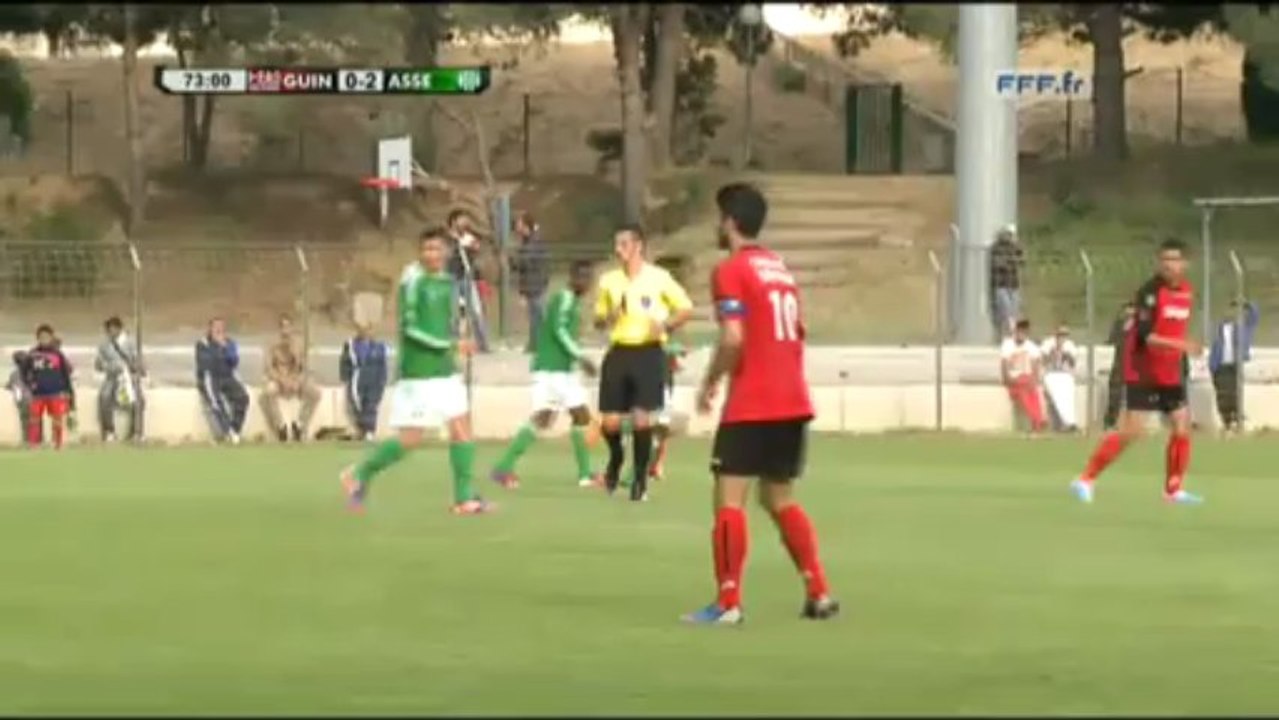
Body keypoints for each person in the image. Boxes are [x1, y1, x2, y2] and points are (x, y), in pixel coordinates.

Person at [684, 182, 838, 625]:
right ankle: (819, 590)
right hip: (792, 398)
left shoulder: (732, 270)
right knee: (779, 497)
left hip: (754, 399)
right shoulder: (780, 269)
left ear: (730, 221)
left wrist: (711, 382)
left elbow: (734, 336)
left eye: (719, 218)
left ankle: (728, 602)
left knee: (729, 500)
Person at [340, 227, 491, 516]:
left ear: (447, 252)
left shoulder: (448, 282)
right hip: (419, 372)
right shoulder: (413, 281)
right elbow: (410, 329)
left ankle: (464, 497)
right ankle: (358, 474)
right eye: (426, 249)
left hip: (445, 370)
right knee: (410, 439)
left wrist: (459, 337)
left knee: (462, 429)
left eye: (436, 249)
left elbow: (447, 322)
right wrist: (450, 344)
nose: (431, 254)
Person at [1072, 238, 1203, 505]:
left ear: (1185, 264)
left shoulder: (1187, 291)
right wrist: (1182, 345)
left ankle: (1173, 490)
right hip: (1143, 371)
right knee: (1131, 431)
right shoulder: (1150, 293)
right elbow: (1146, 336)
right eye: (1164, 259)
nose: (1169, 265)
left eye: (1174, 260)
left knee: (1182, 426)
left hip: (1170, 371)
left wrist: (1180, 353)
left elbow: (1174, 327)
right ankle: (1085, 478)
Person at [593, 223, 694, 502]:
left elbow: (686, 308)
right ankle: (616, 457)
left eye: (624, 244)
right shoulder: (608, 281)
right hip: (619, 350)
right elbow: (598, 319)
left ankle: (639, 481)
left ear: (638, 246)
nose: (618, 250)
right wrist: (609, 315)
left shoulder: (659, 278)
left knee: (641, 419)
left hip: (649, 352)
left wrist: (664, 324)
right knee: (610, 423)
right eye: (616, 244)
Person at [490, 260, 603, 489]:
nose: (586, 282)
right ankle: (585, 474)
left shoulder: (573, 302)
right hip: (555, 370)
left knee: (544, 417)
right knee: (579, 415)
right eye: (582, 277)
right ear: (573, 278)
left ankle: (504, 467)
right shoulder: (564, 299)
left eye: (589, 278)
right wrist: (581, 357)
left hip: (555, 368)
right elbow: (559, 330)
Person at [260, 314, 322, 442]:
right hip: (279, 380)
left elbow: (304, 368)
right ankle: (280, 426)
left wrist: (297, 380)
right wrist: (281, 380)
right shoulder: (271, 345)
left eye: (288, 327)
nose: (285, 331)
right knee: (268, 392)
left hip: (295, 380)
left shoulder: (298, 345)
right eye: (283, 327)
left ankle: (299, 424)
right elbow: (268, 368)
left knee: (315, 393)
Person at [196, 317, 250, 444]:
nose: (219, 330)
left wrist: (225, 348)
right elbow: (206, 363)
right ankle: (228, 432)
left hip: (227, 376)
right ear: (210, 329)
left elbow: (234, 361)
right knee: (216, 402)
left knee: (243, 397)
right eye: (216, 327)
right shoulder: (202, 343)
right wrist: (218, 348)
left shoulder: (229, 343)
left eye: (221, 328)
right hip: (209, 378)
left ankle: (234, 429)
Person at [21, 325, 75, 449]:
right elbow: (23, 371)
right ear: (38, 338)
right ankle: (34, 444)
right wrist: (29, 385)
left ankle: (58, 444)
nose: (44, 339)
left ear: (51, 338)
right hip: (37, 394)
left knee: (57, 419)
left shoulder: (58, 354)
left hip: (56, 392)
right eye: (41, 337)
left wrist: (68, 391)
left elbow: (66, 373)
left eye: (47, 337)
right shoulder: (32, 354)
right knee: (34, 419)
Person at [94, 316, 145, 443]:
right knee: (104, 397)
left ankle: (137, 432)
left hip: (128, 377)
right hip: (112, 376)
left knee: (138, 400)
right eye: (109, 329)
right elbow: (98, 364)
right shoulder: (103, 345)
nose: (111, 332)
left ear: (119, 328)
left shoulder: (130, 343)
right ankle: (109, 431)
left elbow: (138, 360)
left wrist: (135, 368)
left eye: (113, 329)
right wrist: (111, 367)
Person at [447, 209, 491, 353]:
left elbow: (477, 249)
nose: (465, 222)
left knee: (476, 311)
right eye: (461, 219)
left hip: (467, 277)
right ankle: (452, 344)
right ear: (454, 222)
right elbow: (446, 256)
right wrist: (456, 243)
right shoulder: (447, 239)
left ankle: (483, 344)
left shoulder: (468, 237)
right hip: (452, 277)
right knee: (452, 313)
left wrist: (470, 246)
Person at [339, 321, 389, 441]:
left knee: (371, 404)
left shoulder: (379, 347)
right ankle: (360, 429)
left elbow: (382, 365)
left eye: (369, 329)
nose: (366, 332)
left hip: (374, 380)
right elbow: (345, 362)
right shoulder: (351, 345)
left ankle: (369, 430)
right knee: (357, 404)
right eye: (363, 329)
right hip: (358, 379)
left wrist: (382, 380)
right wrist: (345, 377)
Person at [509, 210, 550, 354]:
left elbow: (526, 261)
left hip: (536, 284)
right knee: (534, 317)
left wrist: (514, 259)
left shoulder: (535, 240)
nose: (517, 229)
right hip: (531, 284)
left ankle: (540, 344)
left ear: (526, 225)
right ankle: (534, 344)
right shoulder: (527, 241)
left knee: (539, 316)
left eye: (520, 225)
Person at [1000, 319, 1046, 433]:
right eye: (1019, 331)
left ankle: (1038, 421)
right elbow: (1004, 363)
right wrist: (1007, 378)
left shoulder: (1031, 346)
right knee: (1023, 392)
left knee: (1034, 394)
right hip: (1013, 380)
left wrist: (1034, 379)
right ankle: (1038, 420)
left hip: (1027, 379)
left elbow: (1036, 363)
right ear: (1015, 331)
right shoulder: (1007, 344)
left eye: (1024, 331)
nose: (1022, 334)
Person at [1102, 302, 1136, 430]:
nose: (1130, 312)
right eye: (1128, 309)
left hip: (1136, 365)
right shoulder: (1119, 324)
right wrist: (1125, 328)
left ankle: (1132, 424)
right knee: (1115, 394)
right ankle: (1110, 422)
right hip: (1120, 363)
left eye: (1133, 309)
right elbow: (1111, 340)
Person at [989, 224, 1025, 338]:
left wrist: (1011, 260)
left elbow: (1022, 260)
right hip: (1001, 284)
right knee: (1006, 310)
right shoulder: (997, 247)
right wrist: (1012, 261)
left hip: (1013, 284)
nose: (1010, 237)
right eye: (1009, 234)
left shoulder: (1015, 247)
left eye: (1012, 235)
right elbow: (998, 263)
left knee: (1014, 310)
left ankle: (1013, 333)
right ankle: (1009, 333)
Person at [1040, 324, 1079, 432]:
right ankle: (1068, 423)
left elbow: (1073, 363)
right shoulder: (1048, 343)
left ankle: (1071, 422)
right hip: (1051, 374)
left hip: (1065, 374)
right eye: (1060, 334)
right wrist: (1054, 352)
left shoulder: (1070, 345)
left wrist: (1066, 354)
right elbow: (1043, 361)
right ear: (1055, 334)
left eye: (1065, 334)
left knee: (1068, 397)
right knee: (1057, 396)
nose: (1062, 337)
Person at [7, 351, 33, 444]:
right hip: (32, 399)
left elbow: (10, 386)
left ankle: (26, 440)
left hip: (21, 400)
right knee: (34, 420)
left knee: (24, 421)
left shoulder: (14, 374)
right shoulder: (31, 372)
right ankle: (37, 439)